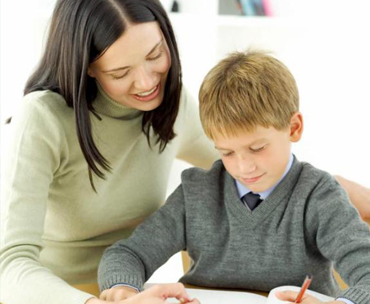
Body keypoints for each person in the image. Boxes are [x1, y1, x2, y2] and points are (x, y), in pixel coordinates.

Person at [0, 0, 368, 303]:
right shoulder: (43, 118)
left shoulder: (174, 107)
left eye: (155, 54)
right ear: (89, 68)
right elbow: (12, 263)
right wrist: (111, 298)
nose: (146, 83)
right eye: (121, 71)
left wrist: (333, 193)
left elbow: (263, 169)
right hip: (61, 294)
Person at [97, 51, 370, 304]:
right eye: (226, 152)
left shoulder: (319, 196)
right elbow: (127, 254)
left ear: (294, 128)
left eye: (257, 148)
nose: (243, 167)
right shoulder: (198, 193)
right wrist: (124, 291)